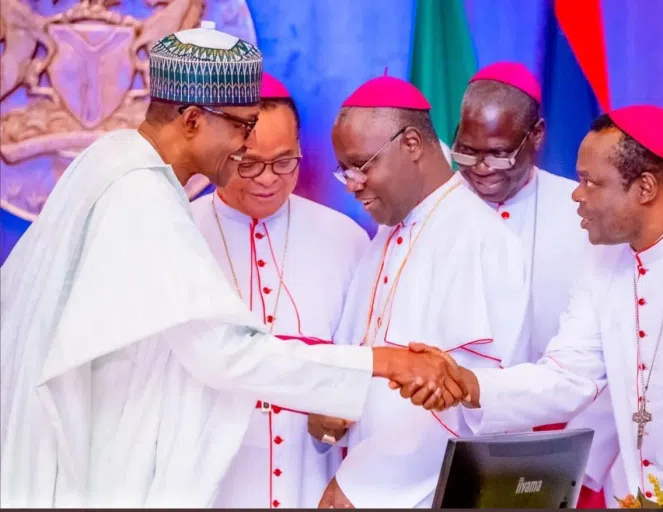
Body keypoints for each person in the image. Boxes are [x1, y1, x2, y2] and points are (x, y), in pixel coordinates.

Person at [0, 26, 465, 508]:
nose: (245, 146)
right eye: (242, 126)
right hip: (107, 457)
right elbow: (224, 353)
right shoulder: (138, 193)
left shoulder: (115, 164)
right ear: (194, 120)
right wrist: (385, 362)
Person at [399, 104, 663, 503]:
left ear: (645, 188)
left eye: (591, 182)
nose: (576, 194)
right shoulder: (607, 258)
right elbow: (569, 374)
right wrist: (468, 384)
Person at [313, 75, 532, 509]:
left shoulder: (477, 237)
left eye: (362, 164)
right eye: (345, 171)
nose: (352, 183)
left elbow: (465, 400)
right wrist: (325, 414)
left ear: (411, 143)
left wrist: (363, 485)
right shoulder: (388, 233)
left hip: (425, 494)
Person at [189, 72, 371, 509]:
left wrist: (339, 415)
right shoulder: (181, 237)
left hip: (312, 481)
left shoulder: (345, 239)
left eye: (284, 161)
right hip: (210, 487)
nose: (267, 179)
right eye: (248, 163)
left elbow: (361, 368)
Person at [453, 61, 624, 506]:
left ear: (538, 135)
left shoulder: (584, 215)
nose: (482, 169)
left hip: (565, 450)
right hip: (452, 441)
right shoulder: (434, 213)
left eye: (499, 153)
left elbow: (610, 354)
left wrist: (578, 462)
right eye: (467, 152)